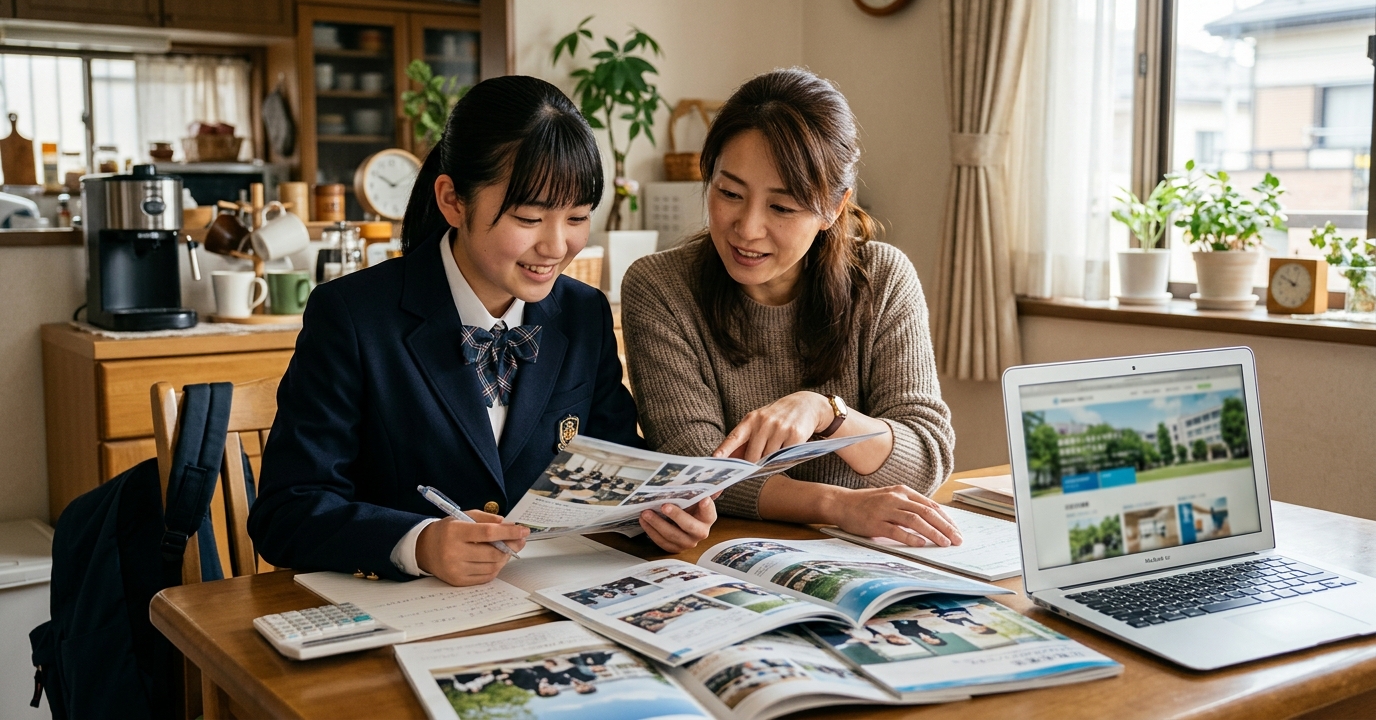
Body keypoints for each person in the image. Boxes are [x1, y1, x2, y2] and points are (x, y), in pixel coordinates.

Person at [248, 76, 714, 587]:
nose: (557, 246)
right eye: (530, 217)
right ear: (452, 200)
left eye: (578, 217)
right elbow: (286, 514)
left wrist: (658, 514)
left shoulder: (583, 313)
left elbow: (615, 466)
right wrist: (418, 543)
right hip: (404, 613)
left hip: (556, 606)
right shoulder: (354, 316)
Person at [621, 68, 962, 548]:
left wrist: (825, 412)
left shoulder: (883, 279)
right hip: (731, 556)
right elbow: (699, 469)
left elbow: (926, 457)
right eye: (729, 193)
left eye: (782, 208)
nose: (748, 228)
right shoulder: (660, 287)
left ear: (834, 208)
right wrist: (840, 506)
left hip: (874, 554)